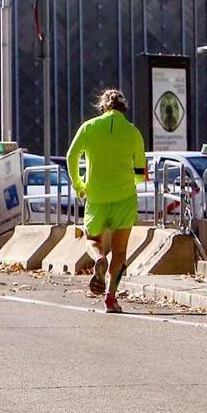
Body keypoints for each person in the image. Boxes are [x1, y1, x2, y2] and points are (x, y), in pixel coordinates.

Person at [66, 89, 147, 312]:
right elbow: (141, 172)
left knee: (92, 239)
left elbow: (71, 156)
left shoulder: (89, 127)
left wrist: (79, 184)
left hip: (96, 196)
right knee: (120, 252)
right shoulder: (133, 132)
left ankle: (99, 258)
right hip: (125, 199)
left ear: (102, 107)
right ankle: (111, 298)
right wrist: (131, 180)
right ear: (124, 109)